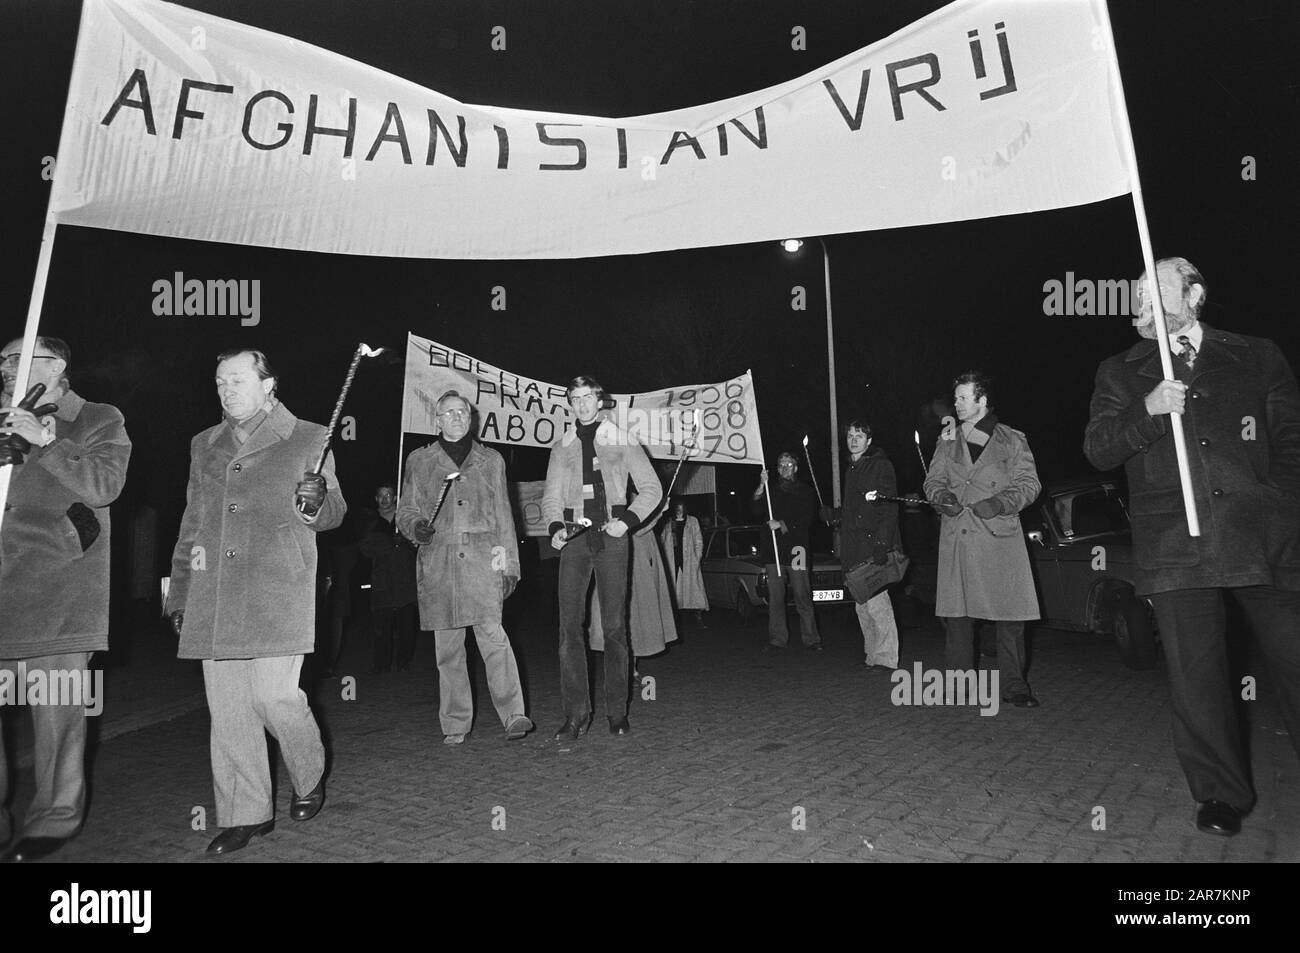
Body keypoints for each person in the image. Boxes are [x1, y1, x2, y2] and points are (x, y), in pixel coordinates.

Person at [1084, 256, 1300, 837]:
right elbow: (1100, 448)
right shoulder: (1121, 371)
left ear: (1194, 294)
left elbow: (1291, 441)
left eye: (1152, 288)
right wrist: (1148, 410)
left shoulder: (1256, 354)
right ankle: (1220, 795)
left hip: (1262, 537)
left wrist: (1277, 504)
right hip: (1176, 542)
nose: (1137, 299)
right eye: (1133, 292)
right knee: (1197, 677)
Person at [166, 348, 344, 855]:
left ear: (269, 384)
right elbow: (193, 521)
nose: (226, 390)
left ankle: (309, 773)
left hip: (277, 587)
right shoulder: (205, 444)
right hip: (215, 591)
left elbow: (333, 511)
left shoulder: (310, 436)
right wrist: (180, 591)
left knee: (274, 697)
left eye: (238, 380)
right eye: (220, 382)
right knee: (229, 713)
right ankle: (246, 815)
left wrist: (315, 500)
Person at [0, 336, 131, 863]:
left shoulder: (97, 417)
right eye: (2, 361)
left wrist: (47, 441)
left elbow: (104, 485)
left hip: (60, 587)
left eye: (17, 357)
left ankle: (53, 817)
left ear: (57, 368)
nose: (6, 367)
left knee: (57, 713)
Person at [396, 390, 532, 744]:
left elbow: (505, 516)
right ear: (437, 420)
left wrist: (509, 567)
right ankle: (455, 724)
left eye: (463, 412)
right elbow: (405, 510)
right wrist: (415, 528)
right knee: (449, 650)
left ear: (470, 419)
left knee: (494, 640)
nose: (457, 417)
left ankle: (514, 714)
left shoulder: (491, 460)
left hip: (483, 562)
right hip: (439, 563)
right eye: (449, 413)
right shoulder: (419, 461)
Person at [543, 375, 662, 739]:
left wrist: (625, 523)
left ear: (599, 400)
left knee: (614, 628)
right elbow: (550, 498)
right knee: (569, 628)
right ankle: (576, 714)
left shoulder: (622, 439)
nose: (581, 405)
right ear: (570, 404)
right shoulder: (561, 446)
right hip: (575, 540)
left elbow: (652, 489)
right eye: (574, 399)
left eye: (587, 398)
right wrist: (554, 529)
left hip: (612, 537)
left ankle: (617, 713)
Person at [924, 371, 1042, 707]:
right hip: (960, 537)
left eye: (963, 398)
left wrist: (1000, 502)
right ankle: (960, 685)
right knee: (959, 619)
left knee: (1010, 618)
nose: (956, 404)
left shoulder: (1011, 439)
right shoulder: (946, 440)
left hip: (999, 535)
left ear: (982, 401)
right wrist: (940, 497)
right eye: (956, 398)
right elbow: (932, 482)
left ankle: (1015, 686)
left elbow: (1030, 485)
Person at [831, 420, 902, 671]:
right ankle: (871, 654)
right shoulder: (853, 467)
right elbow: (857, 508)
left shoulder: (880, 465)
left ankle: (886, 657)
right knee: (862, 604)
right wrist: (835, 514)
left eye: (859, 435)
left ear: (869, 440)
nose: (853, 440)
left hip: (872, 546)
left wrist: (883, 543)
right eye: (850, 435)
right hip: (854, 546)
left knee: (877, 603)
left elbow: (888, 506)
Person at [752, 451, 822, 652]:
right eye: (781, 465)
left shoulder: (805, 491)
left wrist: (782, 524)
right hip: (773, 550)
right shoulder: (770, 489)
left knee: (802, 594)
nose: (785, 468)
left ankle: (812, 638)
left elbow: (807, 519)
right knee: (776, 597)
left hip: (797, 549)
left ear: (796, 468)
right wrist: (760, 484)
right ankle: (777, 639)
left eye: (789, 465)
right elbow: (755, 509)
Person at [359, 483, 418, 673]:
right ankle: (382, 665)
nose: (385, 499)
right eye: (381, 496)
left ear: (395, 498)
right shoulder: (369, 520)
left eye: (389, 495)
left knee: (406, 626)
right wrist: (388, 542)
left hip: (405, 579)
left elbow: (418, 544)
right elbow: (365, 548)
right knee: (381, 628)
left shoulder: (404, 518)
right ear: (376, 498)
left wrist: (407, 541)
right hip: (381, 580)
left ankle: (404, 662)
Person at [660, 500, 708, 626]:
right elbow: (663, 540)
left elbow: (698, 541)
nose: (679, 511)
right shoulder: (668, 522)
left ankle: (698, 616)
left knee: (694, 589)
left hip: (689, 560)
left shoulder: (693, 521)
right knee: (674, 590)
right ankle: (673, 620)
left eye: (681, 508)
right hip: (672, 560)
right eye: (677, 508)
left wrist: (697, 558)